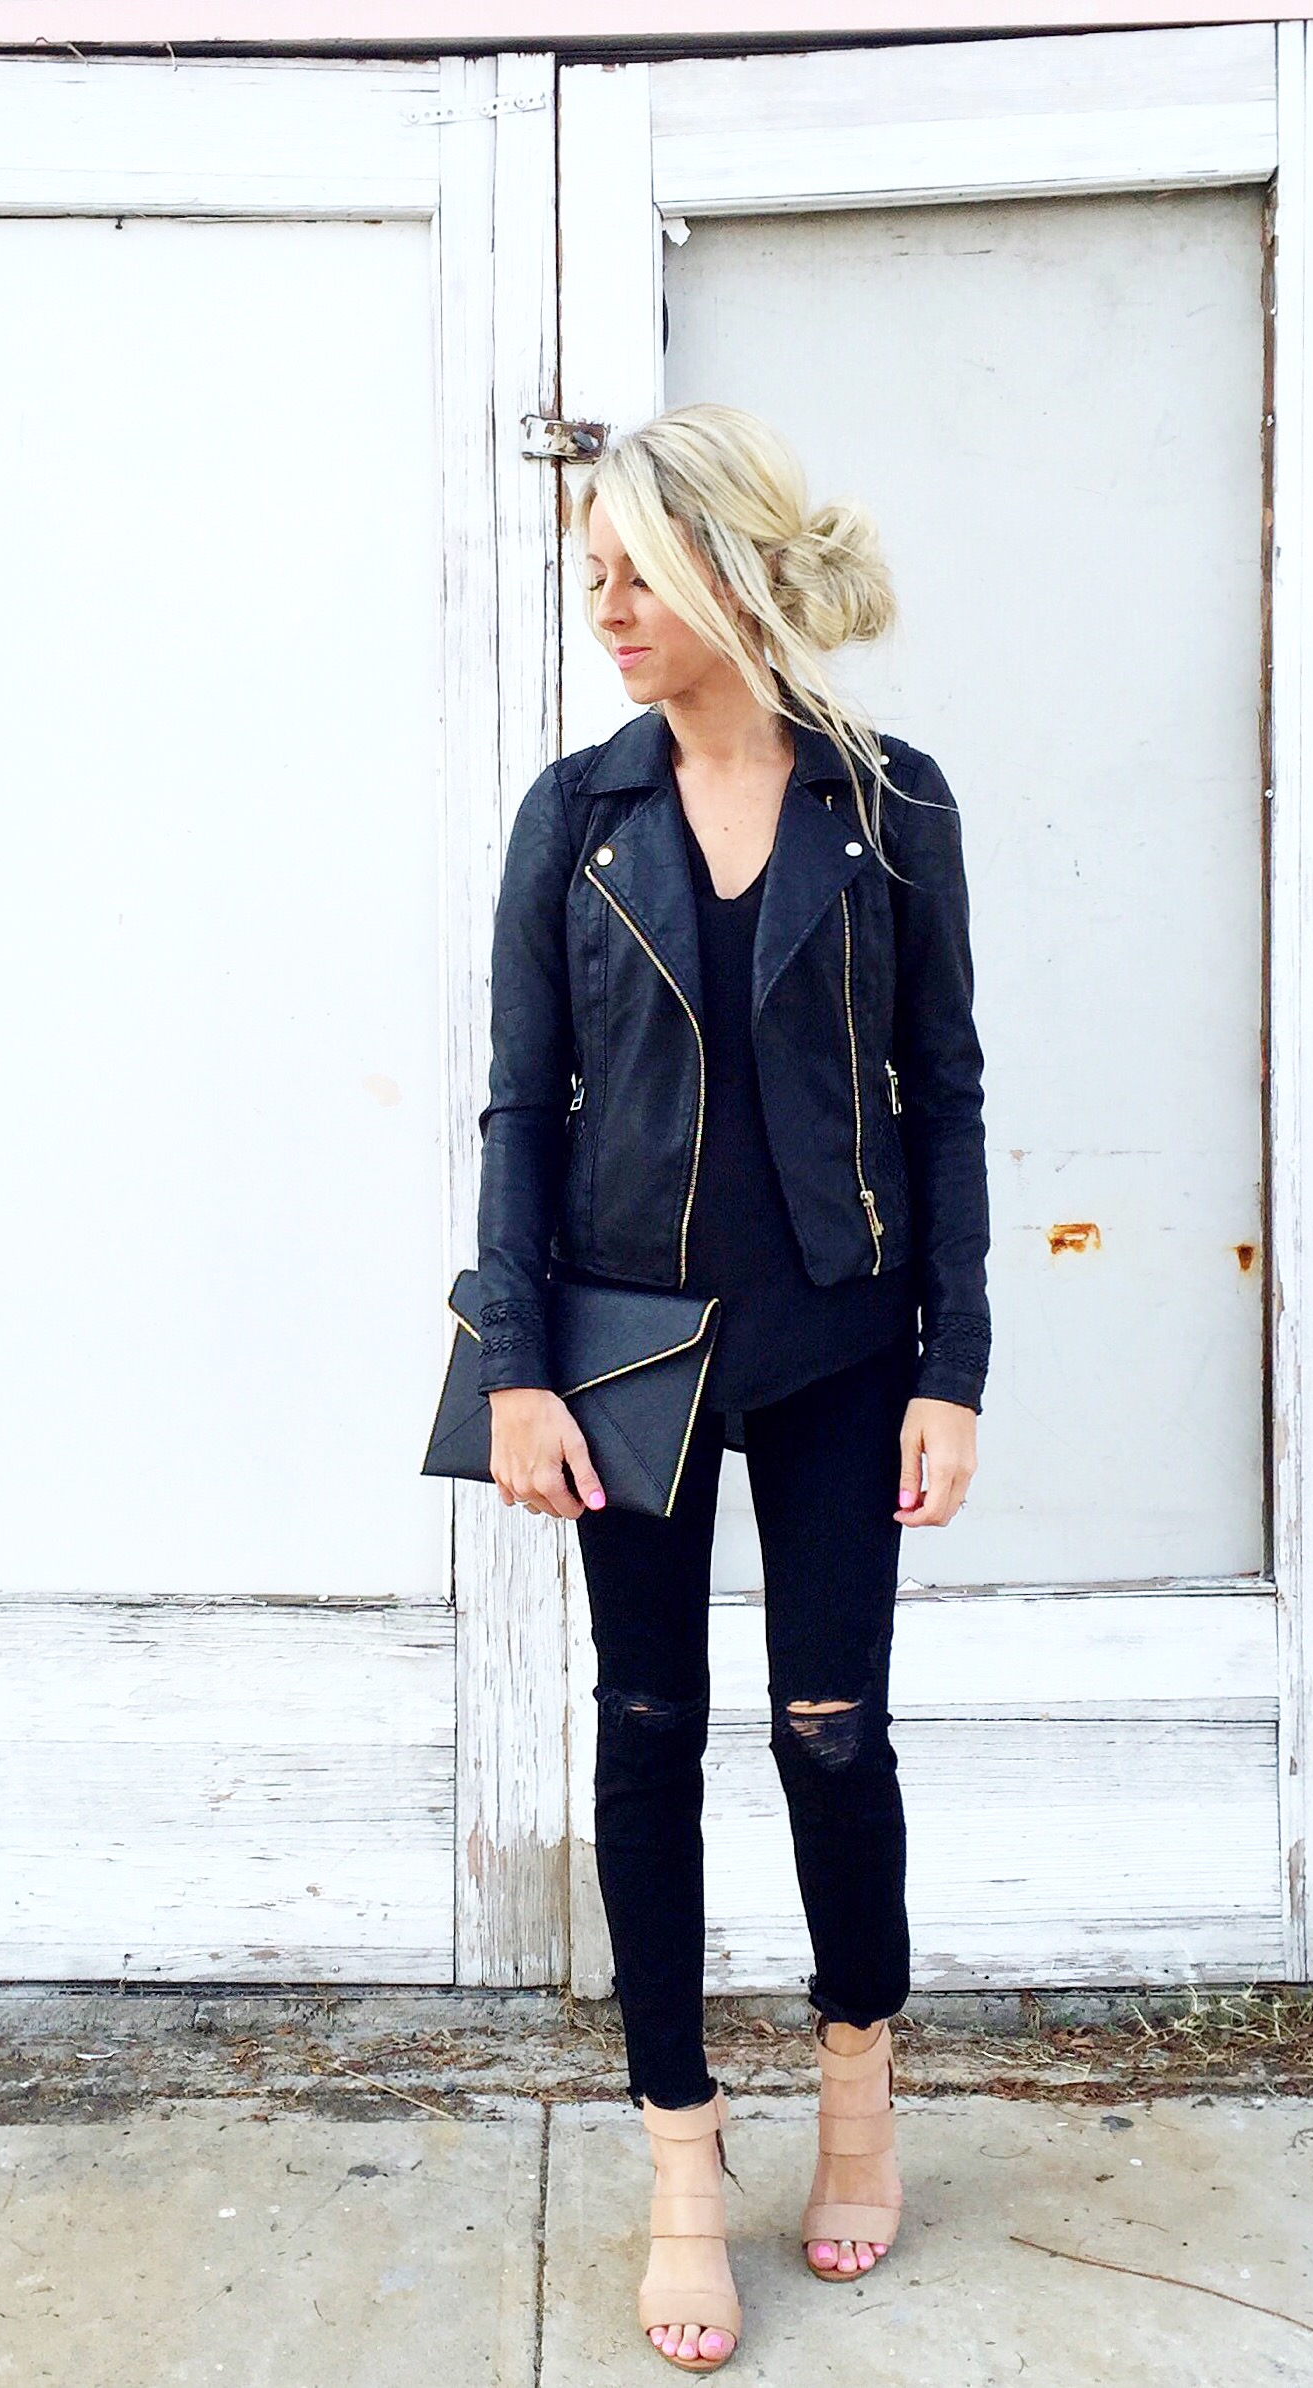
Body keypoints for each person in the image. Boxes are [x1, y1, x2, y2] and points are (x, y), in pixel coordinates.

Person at [472, 404, 992, 2371]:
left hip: (846, 1345)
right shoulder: (576, 816)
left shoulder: (891, 803)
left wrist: (956, 1364)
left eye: (639, 573)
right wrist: (517, 1369)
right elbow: (524, 1111)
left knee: (832, 1735)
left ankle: (857, 2089)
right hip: (632, 1360)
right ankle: (682, 2163)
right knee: (646, 1731)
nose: (606, 608)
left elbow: (944, 1097)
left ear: (734, 573)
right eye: (590, 575)